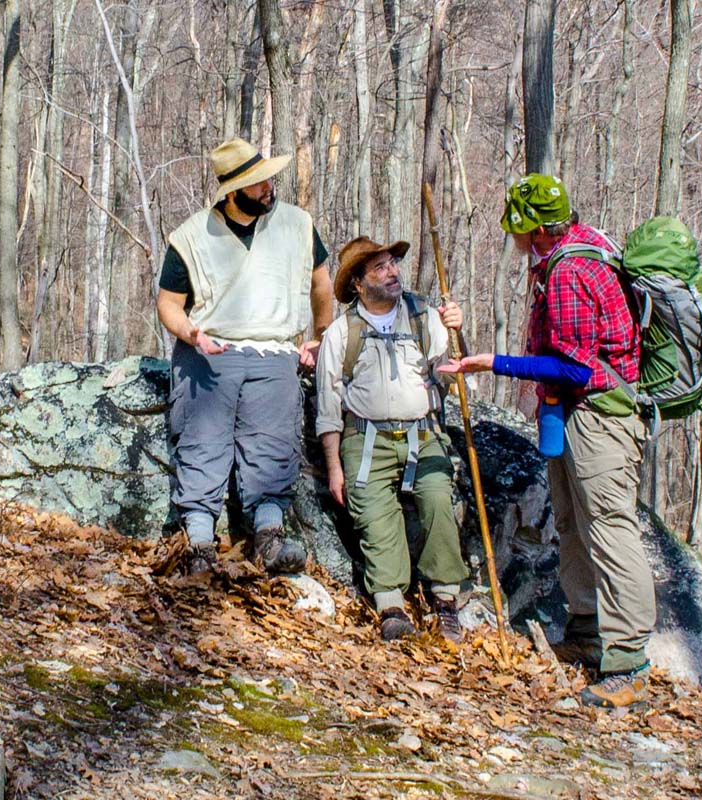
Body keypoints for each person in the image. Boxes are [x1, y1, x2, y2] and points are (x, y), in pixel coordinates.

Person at [439, 174, 655, 708]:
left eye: (517, 227)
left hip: (601, 416)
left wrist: (493, 363)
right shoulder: (578, 251)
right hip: (574, 415)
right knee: (571, 520)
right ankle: (586, 632)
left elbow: (576, 367)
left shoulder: (571, 271)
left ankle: (629, 660)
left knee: (609, 527)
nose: (513, 237)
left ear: (535, 229)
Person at [157, 138, 333, 576]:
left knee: (273, 443)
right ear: (231, 191)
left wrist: (321, 335)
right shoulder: (192, 236)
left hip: (275, 349)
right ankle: (198, 544)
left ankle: (268, 537)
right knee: (202, 443)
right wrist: (191, 333)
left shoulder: (297, 224)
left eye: (268, 178)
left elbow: (322, 284)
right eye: (256, 184)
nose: (268, 187)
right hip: (211, 348)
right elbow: (168, 303)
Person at [315, 236, 469, 642]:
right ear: (358, 285)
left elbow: (452, 368)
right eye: (380, 268)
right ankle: (391, 606)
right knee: (373, 512)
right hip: (365, 440)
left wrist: (457, 331)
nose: (392, 272)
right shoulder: (341, 333)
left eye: (393, 265)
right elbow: (329, 406)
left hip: (424, 433)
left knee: (438, 498)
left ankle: (446, 600)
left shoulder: (422, 317)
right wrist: (334, 467)